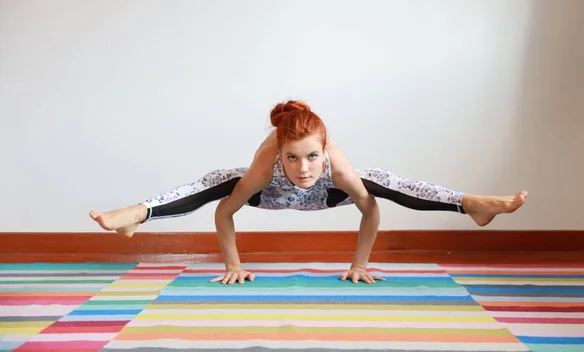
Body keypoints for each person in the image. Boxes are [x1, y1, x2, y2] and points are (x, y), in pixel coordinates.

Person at [90, 100, 527, 285]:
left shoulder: (335, 166)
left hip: (328, 196)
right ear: (280, 153)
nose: (304, 168)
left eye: (312, 157)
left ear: (324, 151)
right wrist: (234, 264)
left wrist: (359, 263)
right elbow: (224, 213)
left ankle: (469, 204)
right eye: (293, 158)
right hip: (270, 196)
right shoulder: (265, 166)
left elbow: (370, 209)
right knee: (215, 178)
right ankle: (138, 214)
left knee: (383, 178)